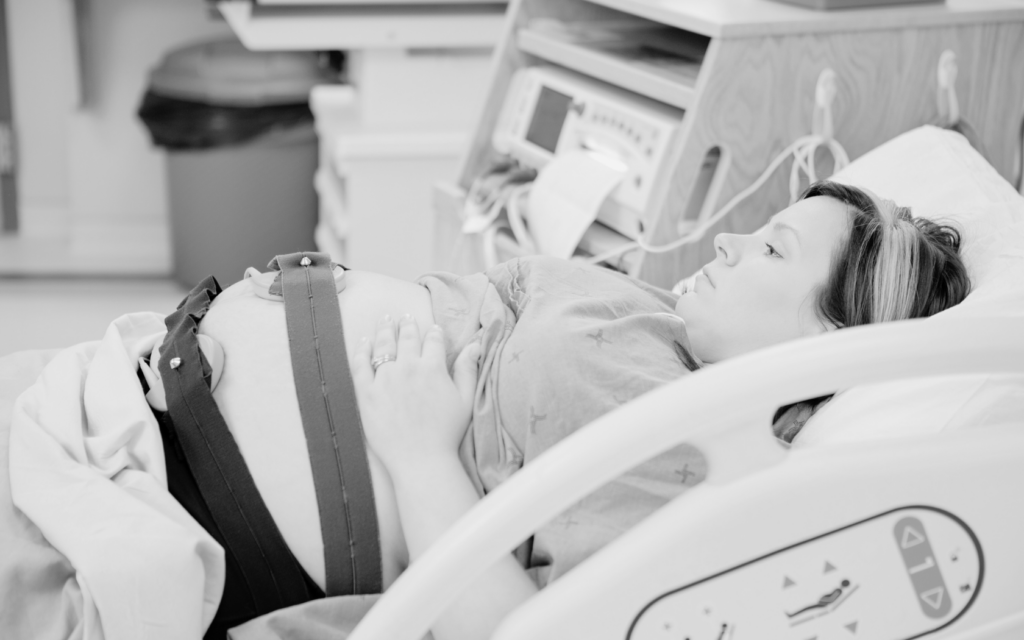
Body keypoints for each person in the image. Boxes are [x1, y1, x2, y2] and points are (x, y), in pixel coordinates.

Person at [155, 180, 970, 639]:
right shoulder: (666, 329)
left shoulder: (678, 440)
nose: (728, 243)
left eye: (770, 250)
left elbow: (535, 634)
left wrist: (421, 456)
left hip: (191, 502)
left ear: (826, 341)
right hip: (164, 406)